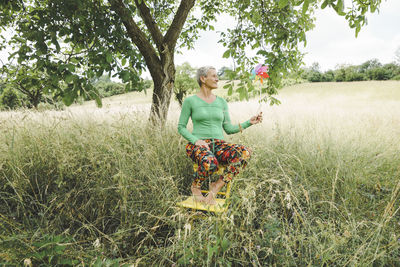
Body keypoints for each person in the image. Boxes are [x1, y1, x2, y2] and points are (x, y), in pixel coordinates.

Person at [178, 66, 263, 205]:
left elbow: (228, 129)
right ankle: (195, 186)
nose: (217, 79)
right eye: (214, 76)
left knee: (245, 153)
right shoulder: (190, 101)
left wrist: (249, 122)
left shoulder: (221, 102)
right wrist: (196, 140)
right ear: (203, 78)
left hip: (218, 145)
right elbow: (181, 127)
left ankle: (216, 186)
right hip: (198, 145)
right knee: (211, 162)